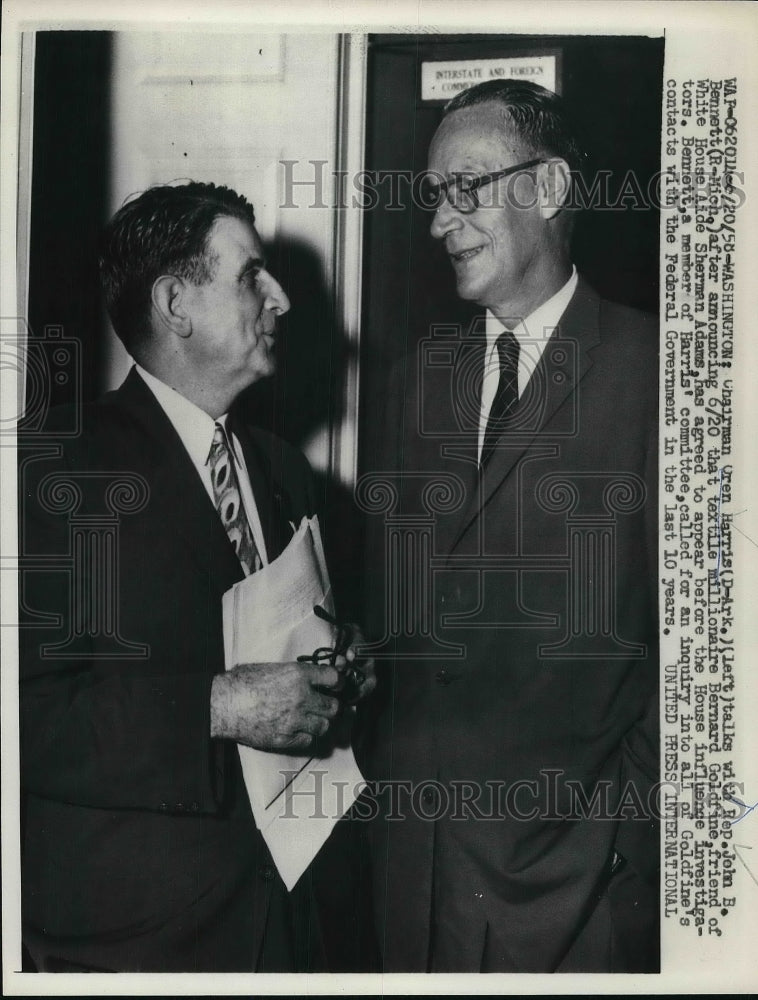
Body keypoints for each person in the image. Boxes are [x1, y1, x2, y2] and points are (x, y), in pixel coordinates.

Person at [19, 181, 375, 972]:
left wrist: (341, 662)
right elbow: (26, 713)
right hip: (137, 946)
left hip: (287, 928)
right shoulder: (58, 470)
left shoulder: (285, 473)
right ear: (176, 303)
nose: (280, 298)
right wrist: (217, 705)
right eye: (252, 274)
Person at [366, 80, 659, 972]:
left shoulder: (661, 374)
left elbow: (708, 654)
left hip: (578, 892)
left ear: (553, 188)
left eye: (468, 188)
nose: (439, 221)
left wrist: (619, 838)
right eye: (432, 196)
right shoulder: (417, 380)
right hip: (411, 882)